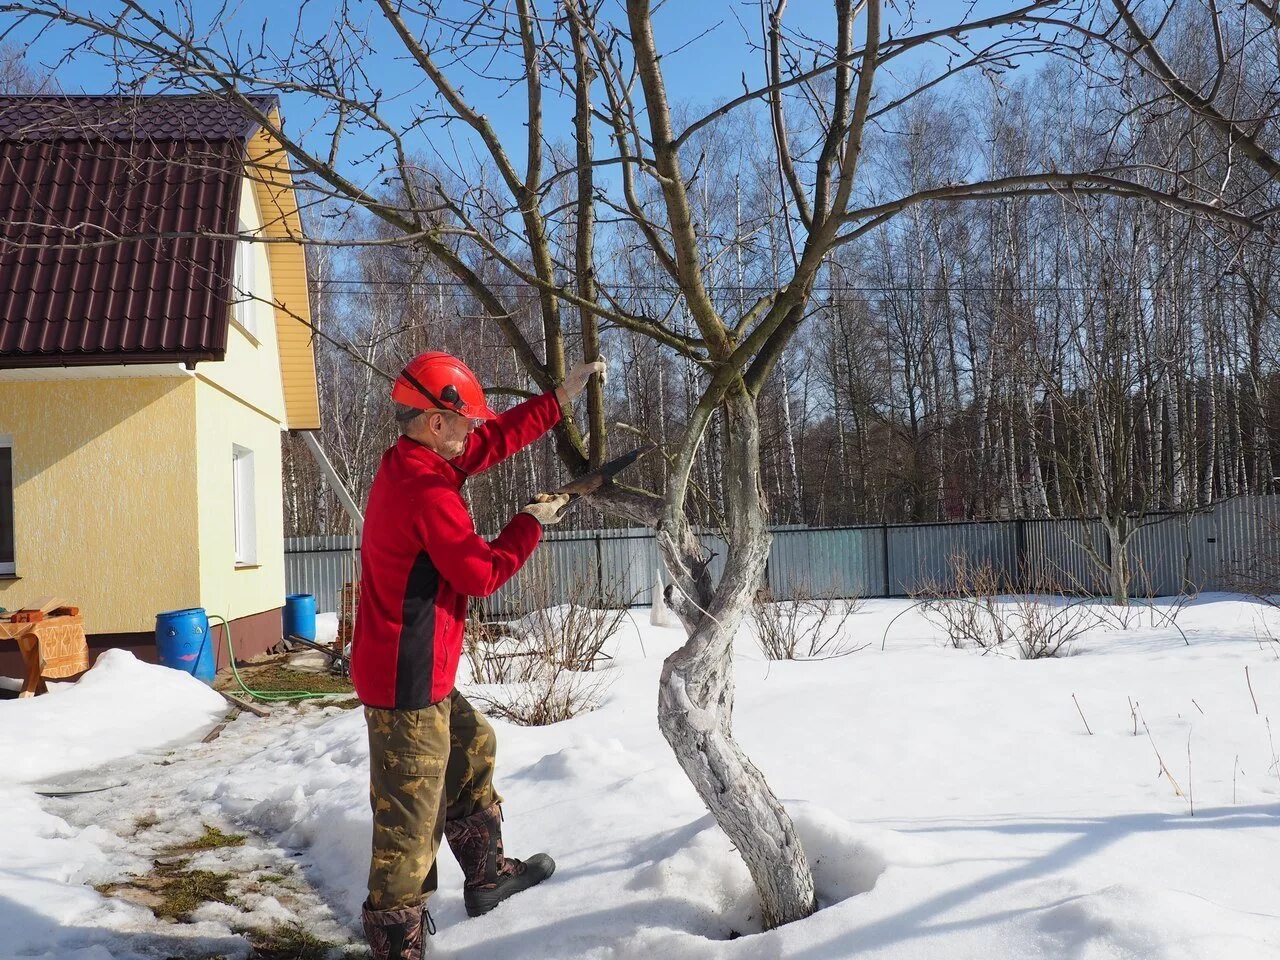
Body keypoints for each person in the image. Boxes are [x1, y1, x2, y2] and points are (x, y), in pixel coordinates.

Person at [351, 351, 604, 960]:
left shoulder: (416, 460)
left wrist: (556, 403)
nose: (473, 432)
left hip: (419, 669)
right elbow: (479, 574)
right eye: (465, 421)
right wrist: (529, 522)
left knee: (472, 745)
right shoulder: (424, 489)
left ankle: (486, 878)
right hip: (404, 680)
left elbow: (488, 443)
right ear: (437, 421)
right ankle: (395, 943)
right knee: (409, 825)